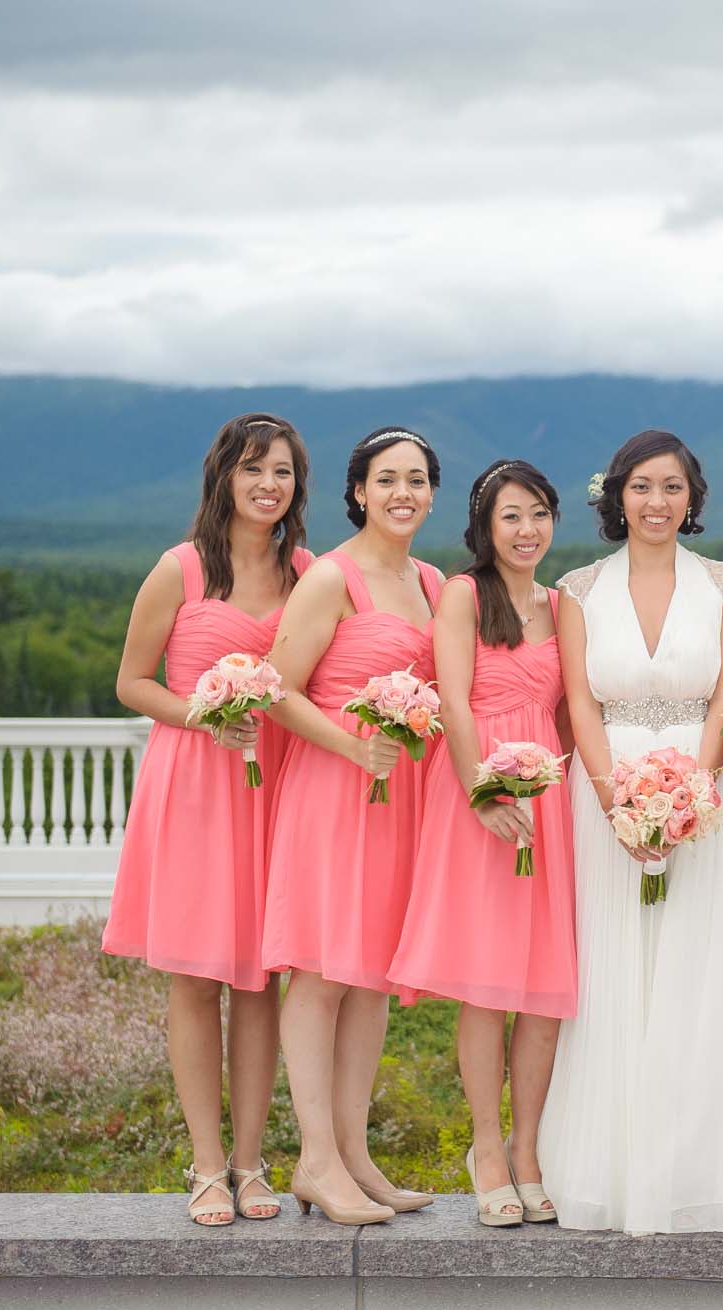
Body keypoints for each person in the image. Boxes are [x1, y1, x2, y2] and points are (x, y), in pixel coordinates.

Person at [540, 428, 723, 1234]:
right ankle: (609, 1172)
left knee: (702, 971)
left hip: (709, 794)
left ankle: (702, 1172)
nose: (657, 501)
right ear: (617, 496)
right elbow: (581, 701)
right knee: (614, 974)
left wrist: (690, 787)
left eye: (673, 487)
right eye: (642, 486)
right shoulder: (576, 588)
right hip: (605, 792)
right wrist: (619, 801)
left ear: (693, 499)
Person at [103, 412, 311, 1226]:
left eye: (283, 472)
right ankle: (204, 1165)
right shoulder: (180, 569)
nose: (268, 485)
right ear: (223, 475)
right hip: (193, 784)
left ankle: (254, 1163)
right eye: (254, 468)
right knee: (195, 978)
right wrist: (202, 713)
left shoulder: (308, 572)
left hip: (274, 784)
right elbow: (131, 681)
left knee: (261, 977)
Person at [261, 426, 445, 1226]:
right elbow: (276, 686)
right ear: (359, 491)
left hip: (400, 797)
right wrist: (351, 742)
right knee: (324, 970)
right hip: (335, 789)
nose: (403, 492)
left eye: (417, 479)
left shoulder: (437, 583)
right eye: (387, 479)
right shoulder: (329, 578)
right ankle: (313, 1158)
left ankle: (354, 1151)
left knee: (371, 975)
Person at [388, 460, 575, 1227]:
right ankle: (487, 1147)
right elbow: (455, 702)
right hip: (480, 790)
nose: (526, 530)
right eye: (510, 516)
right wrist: (484, 791)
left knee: (544, 982)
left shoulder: (563, 605)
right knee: (488, 980)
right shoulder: (464, 596)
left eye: (537, 514)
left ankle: (529, 1149)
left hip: (550, 795)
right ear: (483, 526)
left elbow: (570, 712)